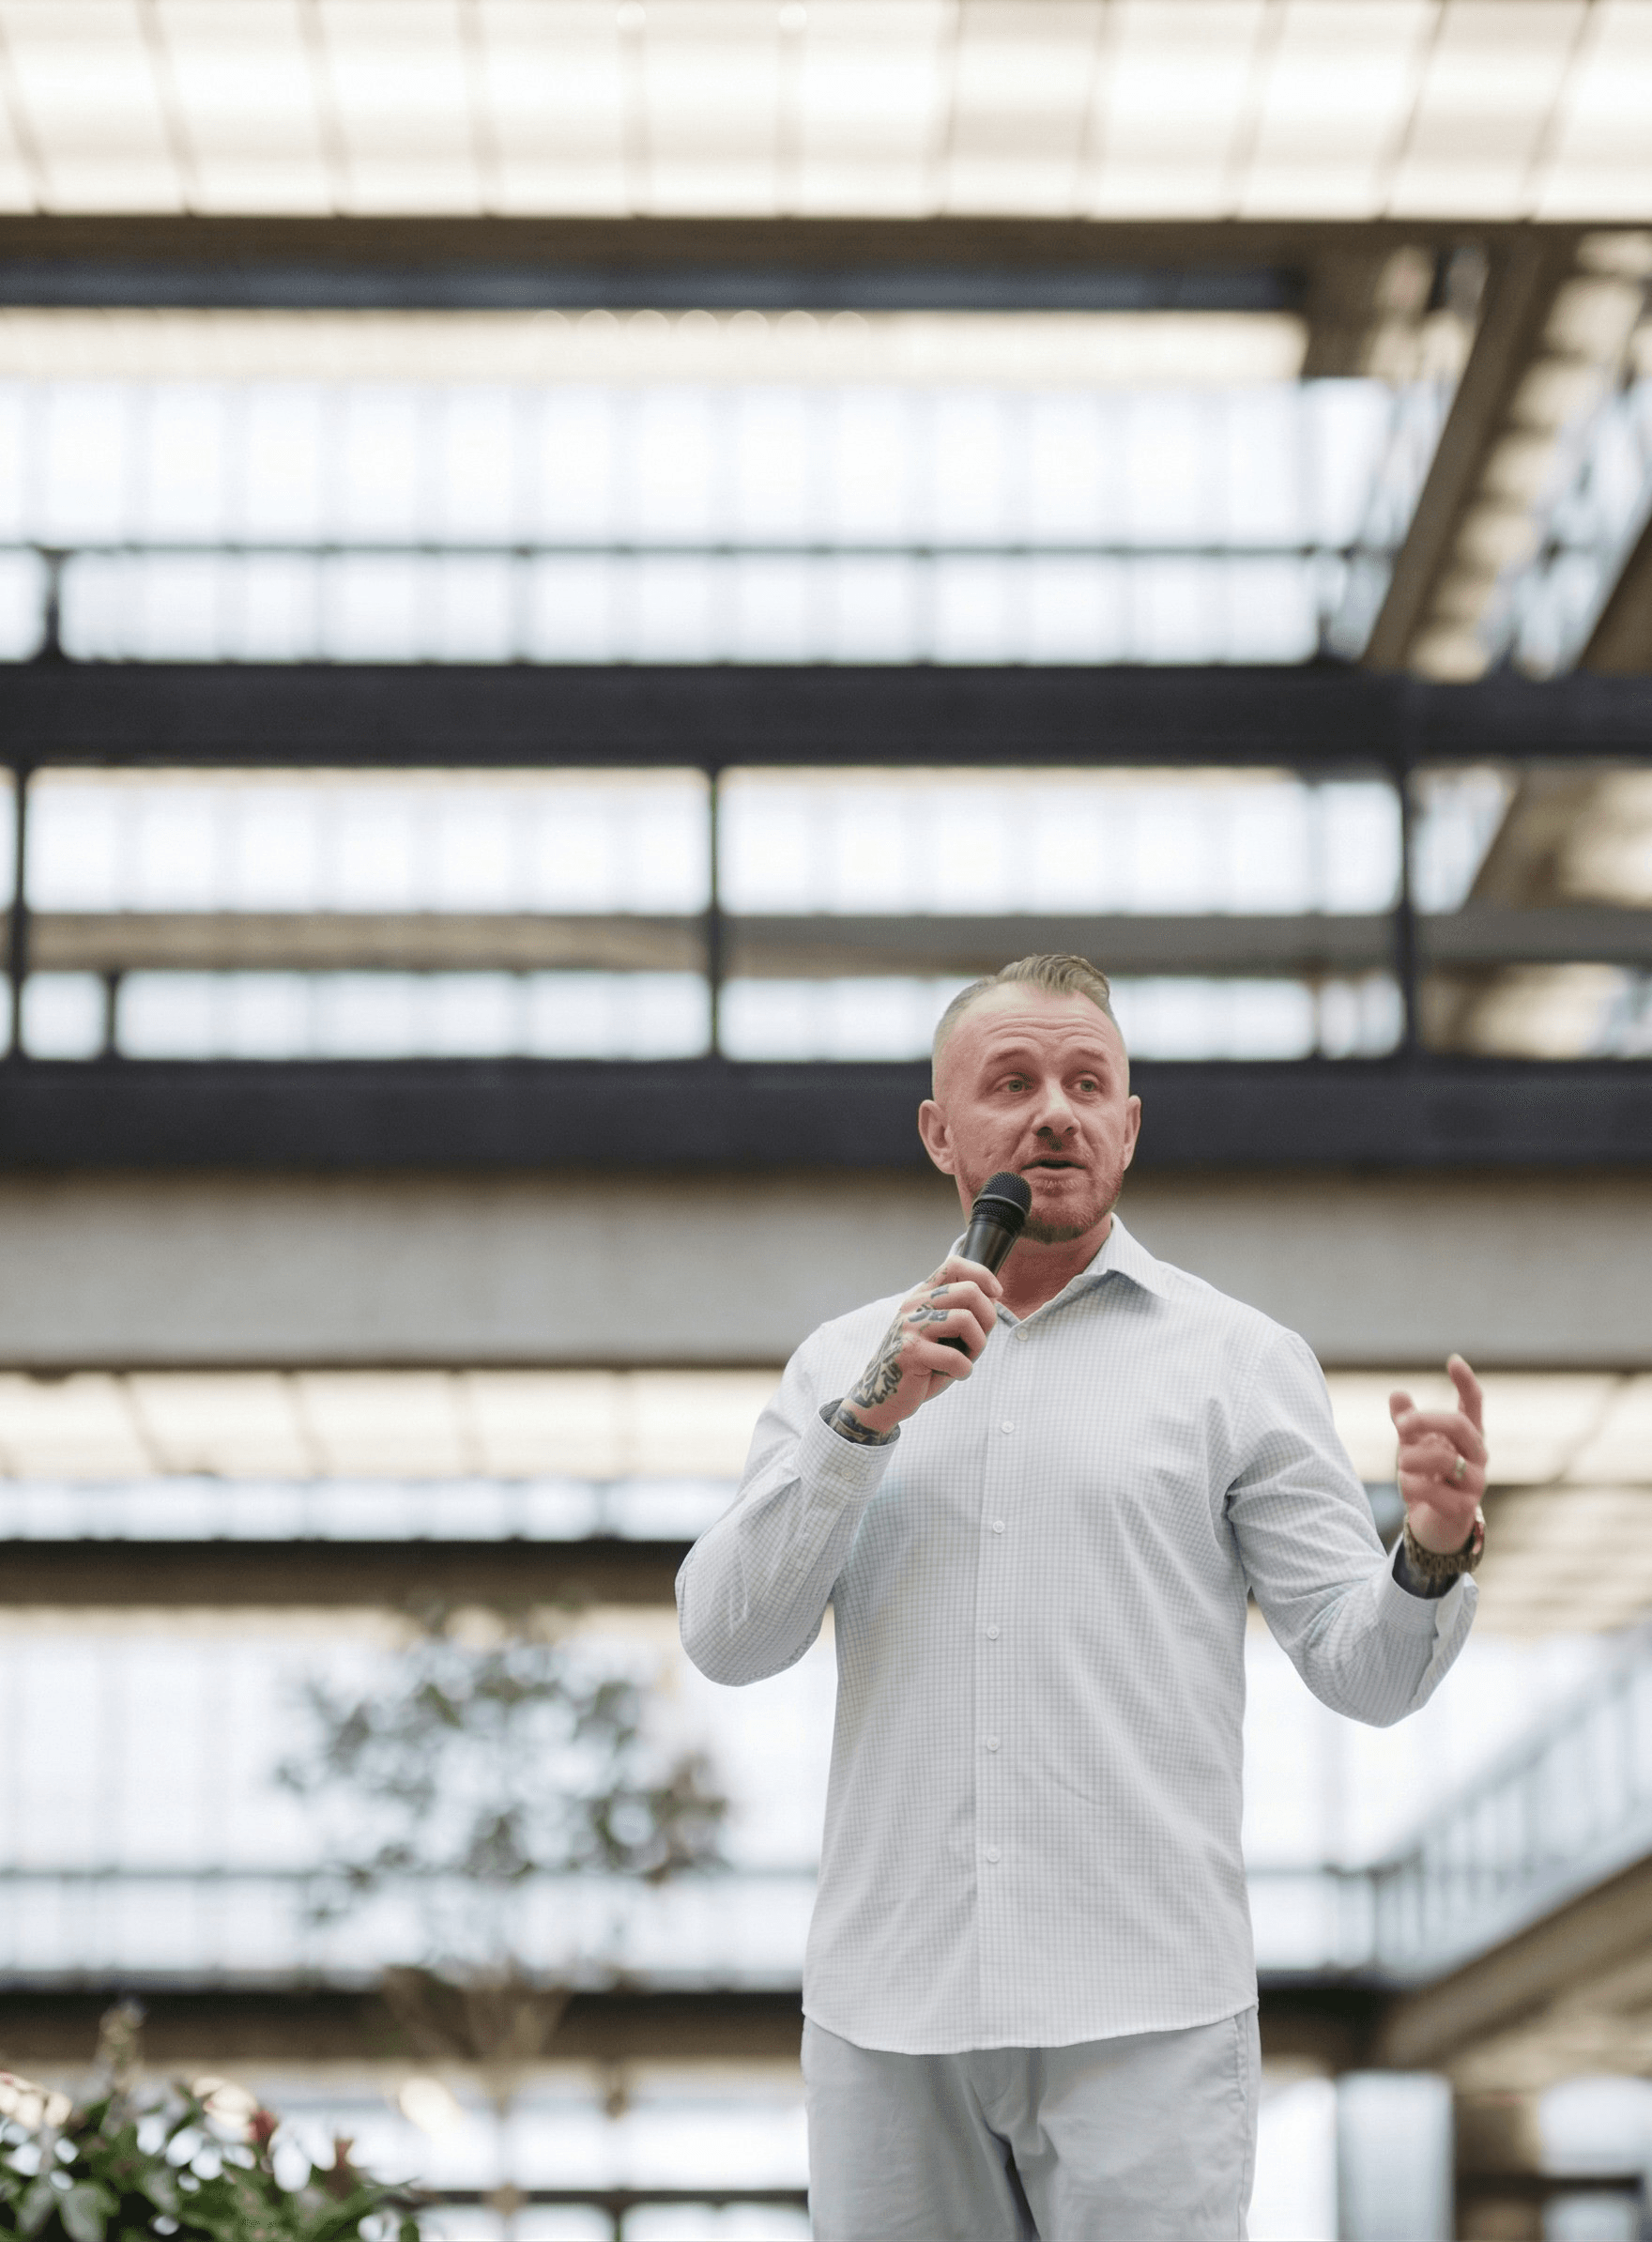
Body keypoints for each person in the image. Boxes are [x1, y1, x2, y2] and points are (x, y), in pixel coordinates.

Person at [677, 955, 1487, 2241]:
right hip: (889, 2015)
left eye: (1086, 1082)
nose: (1054, 1110)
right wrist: (862, 1428)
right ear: (943, 1131)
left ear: (1128, 1125)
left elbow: (1366, 1670)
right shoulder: (844, 1362)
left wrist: (1431, 1551)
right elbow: (727, 1637)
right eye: (1012, 1082)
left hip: (1149, 2012)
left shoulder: (1238, 1361)